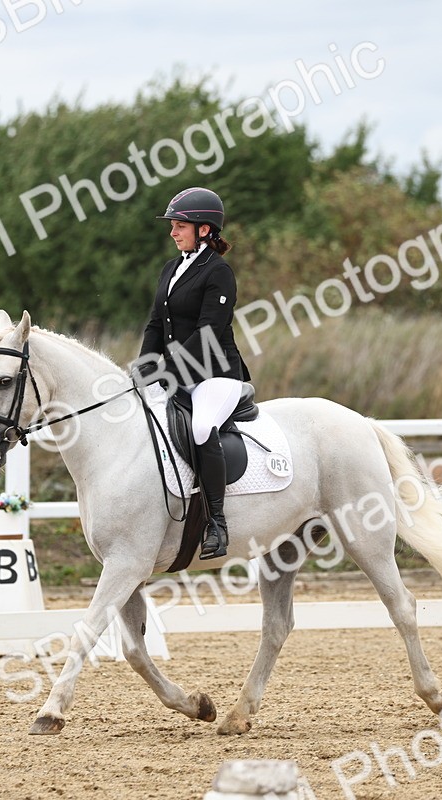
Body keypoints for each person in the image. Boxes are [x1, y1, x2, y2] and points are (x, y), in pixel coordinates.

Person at [134, 187, 251, 560]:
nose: (172, 232)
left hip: (216, 375)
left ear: (204, 229)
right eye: (172, 225)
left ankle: (216, 522)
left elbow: (207, 334)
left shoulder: (219, 272)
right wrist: (143, 366)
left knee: (201, 428)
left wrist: (166, 371)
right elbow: (156, 324)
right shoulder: (171, 269)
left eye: (180, 226)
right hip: (177, 375)